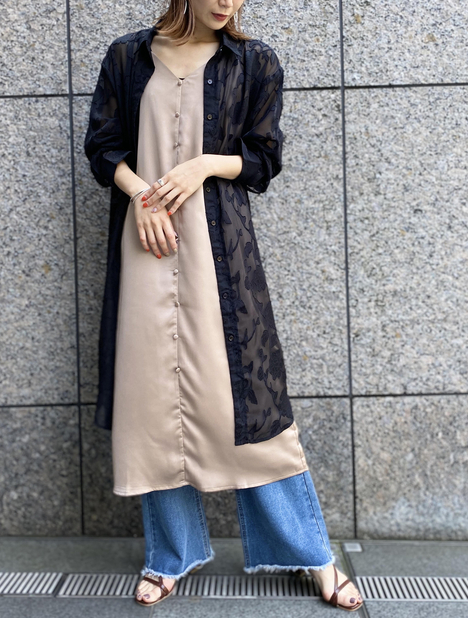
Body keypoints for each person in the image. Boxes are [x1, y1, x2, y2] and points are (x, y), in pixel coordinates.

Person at [84, 0, 364, 612]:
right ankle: (169, 556)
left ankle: (313, 553)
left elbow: (264, 158)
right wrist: (142, 199)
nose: (226, 4)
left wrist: (204, 165)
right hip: (146, 245)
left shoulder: (254, 62)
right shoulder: (127, 57)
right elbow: (103, 148)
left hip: (221, 256)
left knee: (251, 406)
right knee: (153, 407)